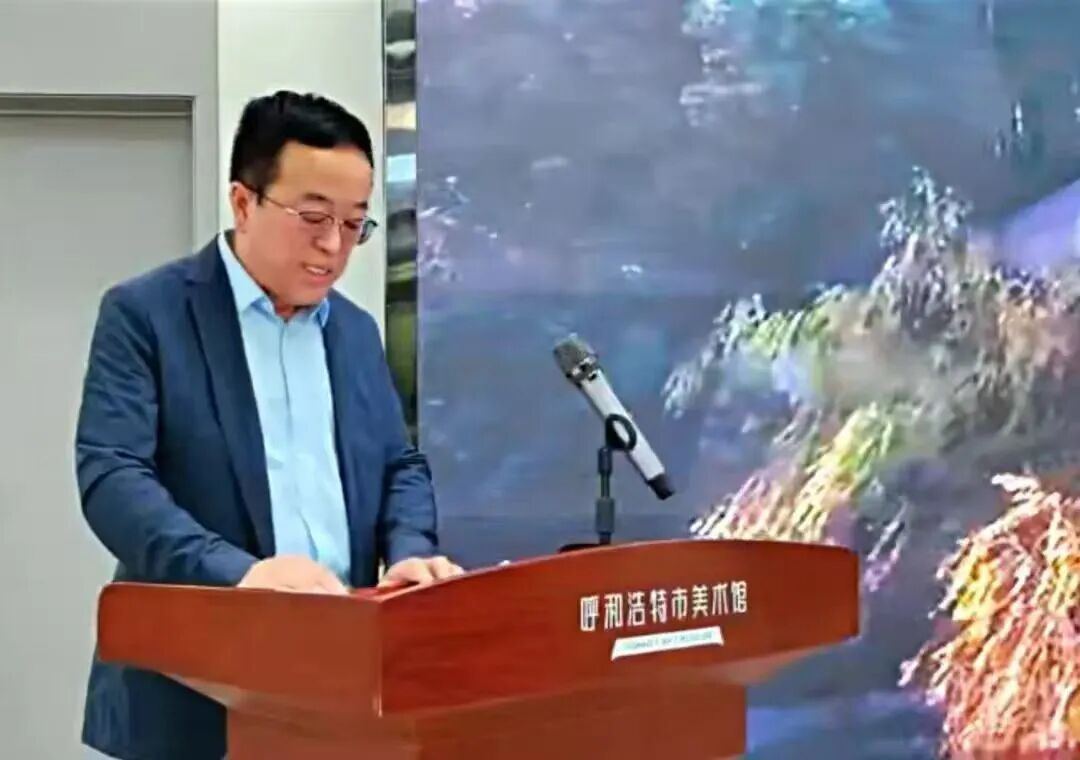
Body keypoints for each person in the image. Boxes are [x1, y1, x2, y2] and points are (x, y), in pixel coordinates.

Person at [75, 90, 463, 760]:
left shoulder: (353, 332)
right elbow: (113, 477)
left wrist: (406, 550)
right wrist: (241, 575)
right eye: (313, 217)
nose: (333, 246)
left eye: (355, 223)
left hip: (337, 690)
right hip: (189, 693)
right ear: (243, 202)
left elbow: (398, 464)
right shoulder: (148, 314)